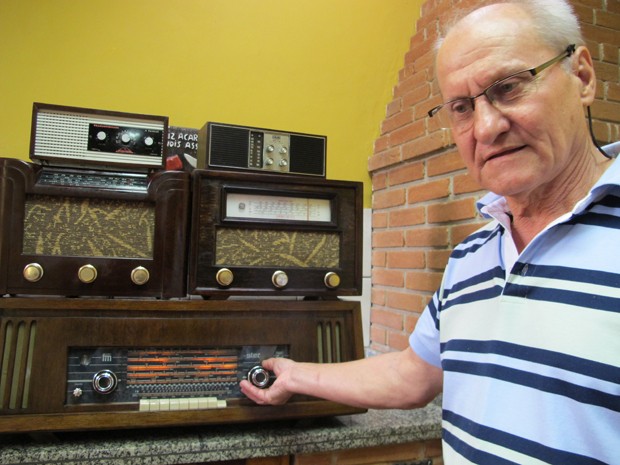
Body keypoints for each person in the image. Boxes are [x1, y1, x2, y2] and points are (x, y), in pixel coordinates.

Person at [240, 1, 620, 463]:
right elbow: (411, 375)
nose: (485, 127)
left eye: (508, 87)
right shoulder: (470, 258)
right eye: (461, 107)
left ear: (581, 76)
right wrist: (295, 375)